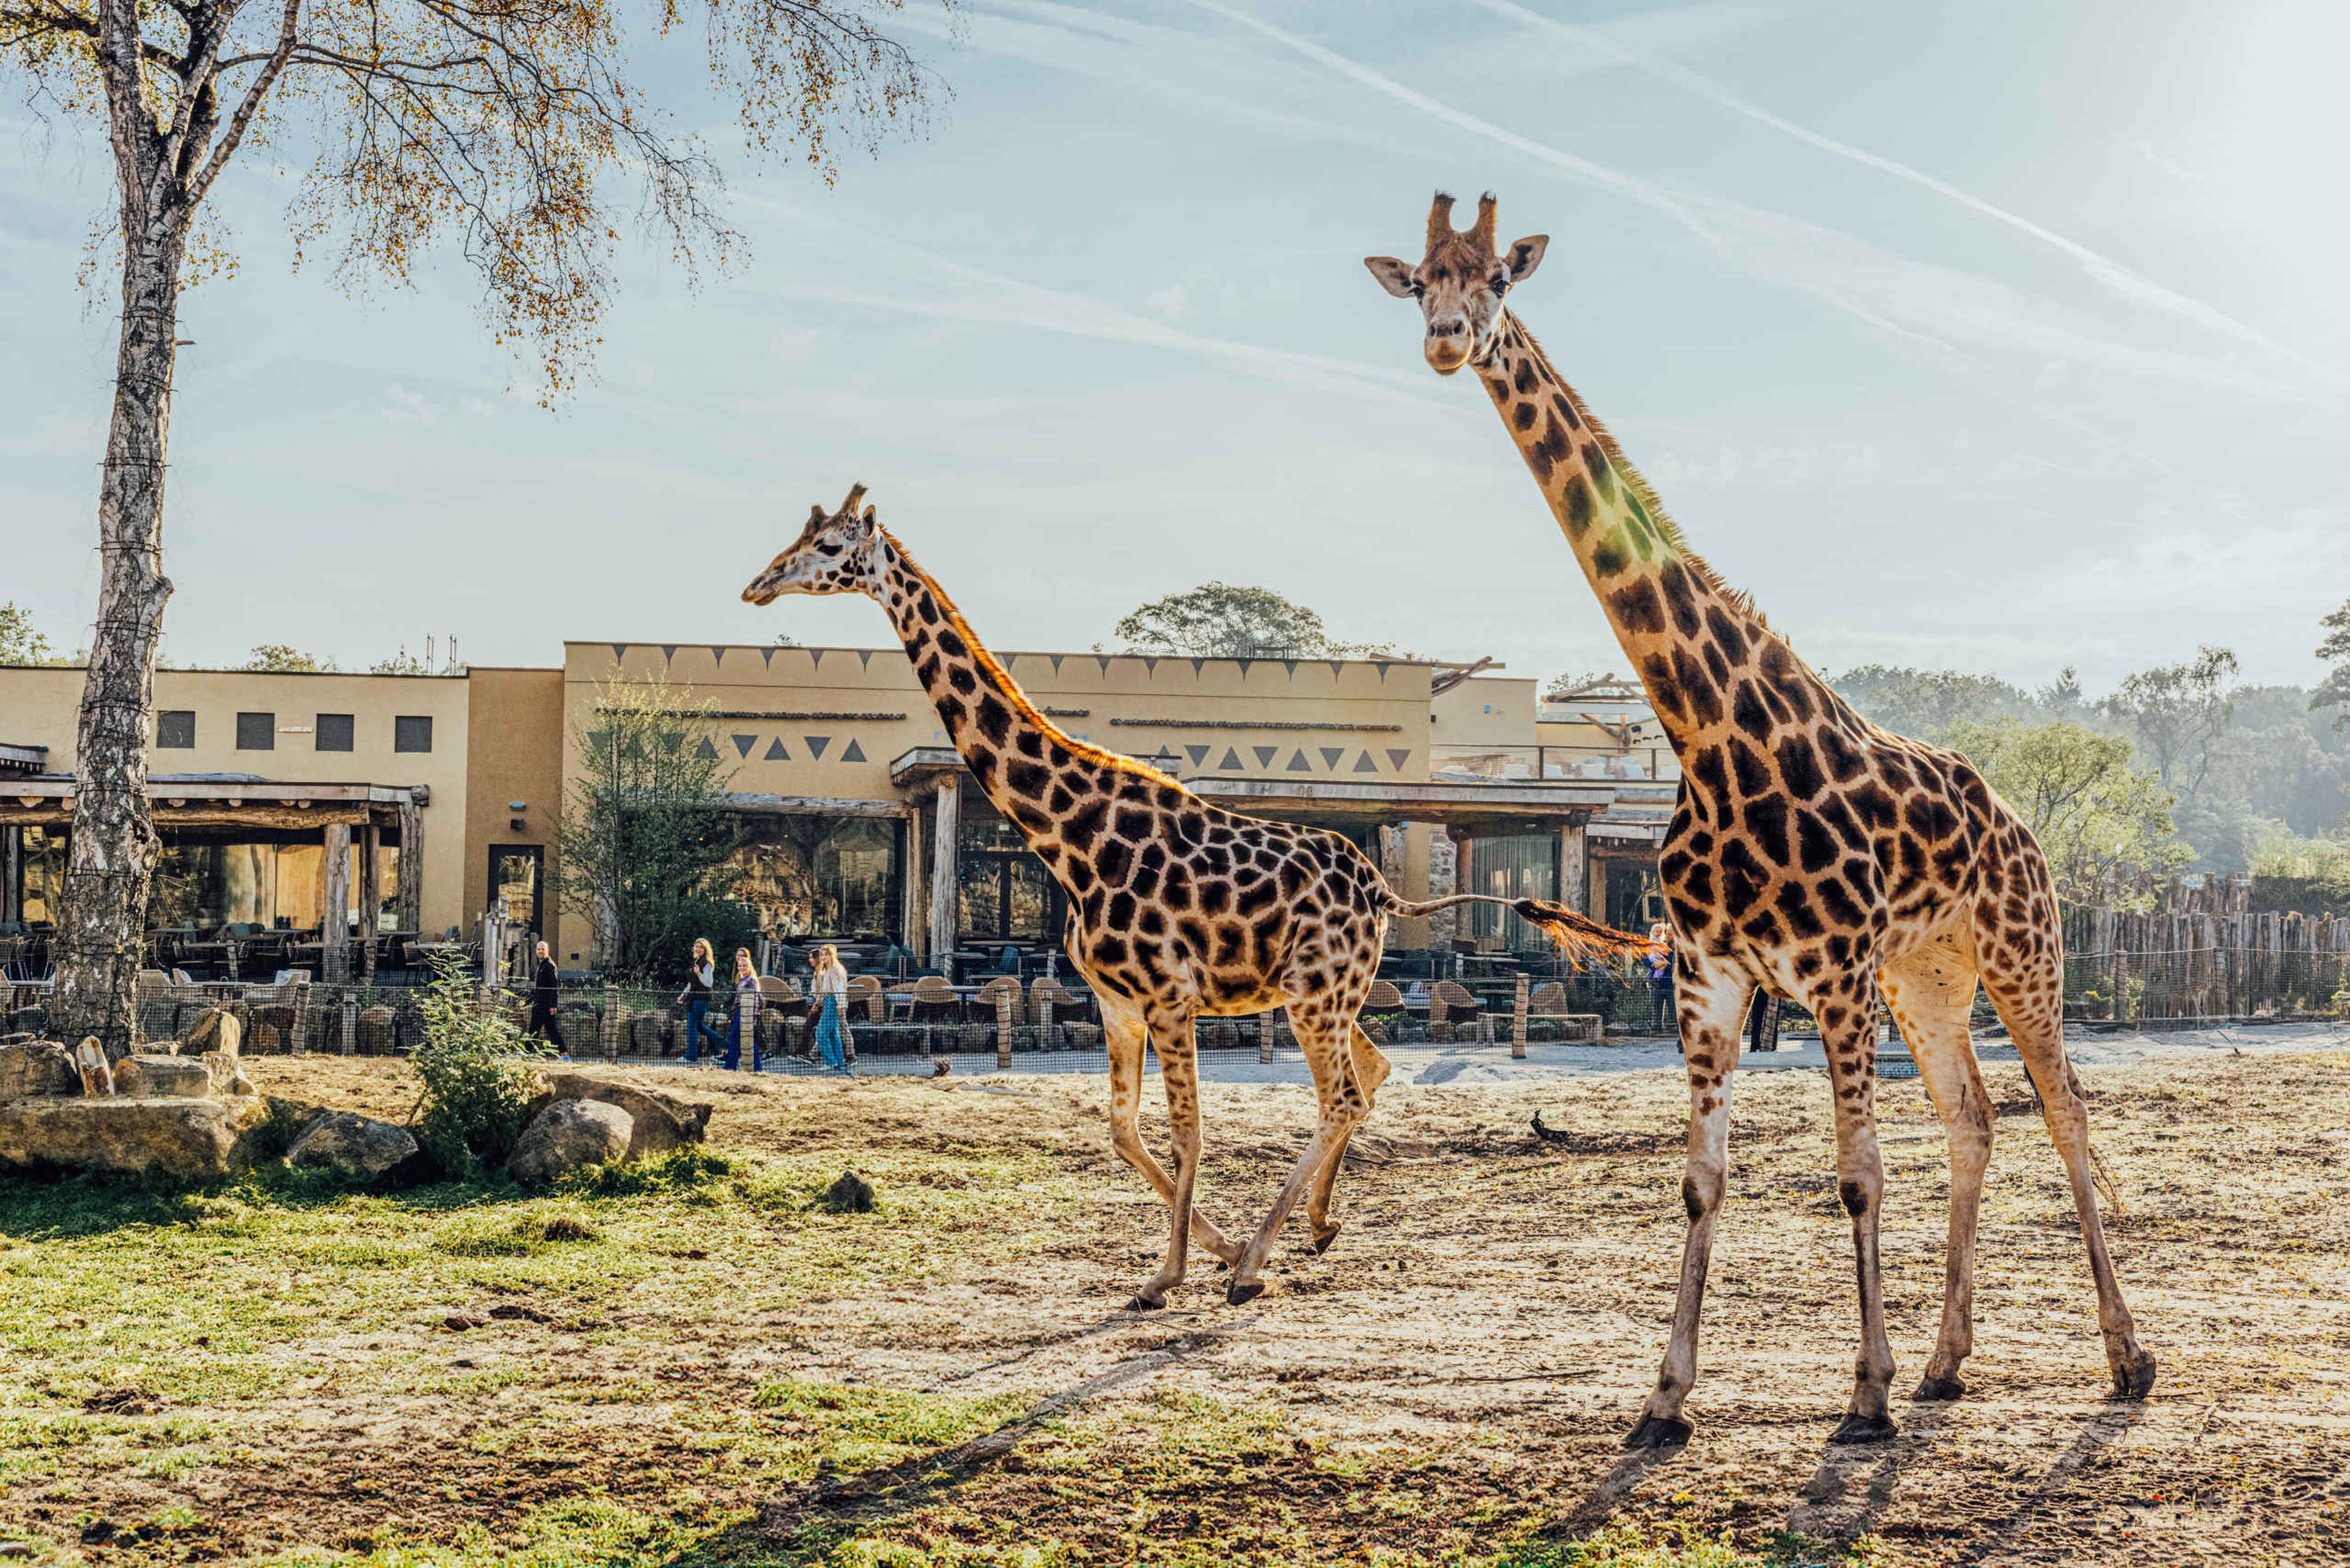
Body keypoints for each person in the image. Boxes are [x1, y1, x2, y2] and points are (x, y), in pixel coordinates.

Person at [676, 937, 727, 1064]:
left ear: (706, 949)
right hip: (693, 997)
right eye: (697, 946)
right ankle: (725, 1043)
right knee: (699, 1026)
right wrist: (683, 994)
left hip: (701, 998)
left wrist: (699, 974)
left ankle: (691, 1056)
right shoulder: (696, 961)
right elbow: (691, 982)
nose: (698, 949)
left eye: (701, 947)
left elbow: (708, 983)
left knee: (692, 1026)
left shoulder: (707, 963)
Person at [808, 943, 851, 1072]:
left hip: (833, 1002)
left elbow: (839, 990)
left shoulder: (834, 969)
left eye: (827, 955)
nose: (823, 957)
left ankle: (830, 1061)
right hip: (828, 1001)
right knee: (833, 1035)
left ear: (832, 956)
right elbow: (824, 991)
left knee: (820, 1033)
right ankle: (839, 1063)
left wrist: (841, 1005)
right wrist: (818, 1004)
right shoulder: (825, 970)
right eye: (822, 955)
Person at [723, 947, 761, 1072]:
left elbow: (756, 1000)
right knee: (747, 1038)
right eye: (740, 966)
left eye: (744, 966)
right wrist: (731, 1015)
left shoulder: (751, 980)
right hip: (740, 1011)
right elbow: (737, 1000)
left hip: (748, 1012)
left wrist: (754, 1017)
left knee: (734, 1037)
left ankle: (730, 1066)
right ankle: (757, 1067)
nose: (742, 968)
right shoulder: (741, 980)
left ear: (749, 966)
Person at [528, 939, 564, 1051]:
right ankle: (526, 1052)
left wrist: (554, 1006)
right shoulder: (542, 966)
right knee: (537, 1030)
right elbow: (538, 988)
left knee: (543, 1031)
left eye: (543, 949)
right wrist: (527, 1001)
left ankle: (565, 1055)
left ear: (547, 951)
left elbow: (554, 987)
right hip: (539, 1004)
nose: (540, 951)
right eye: (539, 949)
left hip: (546, 1006)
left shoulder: (549, 966)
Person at [1645, 922, 1676, 1044]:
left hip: (1669, 982)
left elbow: (1675, 964)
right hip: (1656, 983)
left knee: (1672, 1007)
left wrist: (1665, 966)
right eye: (1667, 934)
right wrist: (1654, 965)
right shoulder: (1654, 945)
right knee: (1656, 1006)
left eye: (1670, 934)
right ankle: (1656, 1027)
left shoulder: (1673, 949)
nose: (1668, 936)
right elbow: (1645, 960)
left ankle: (1673, 1028)